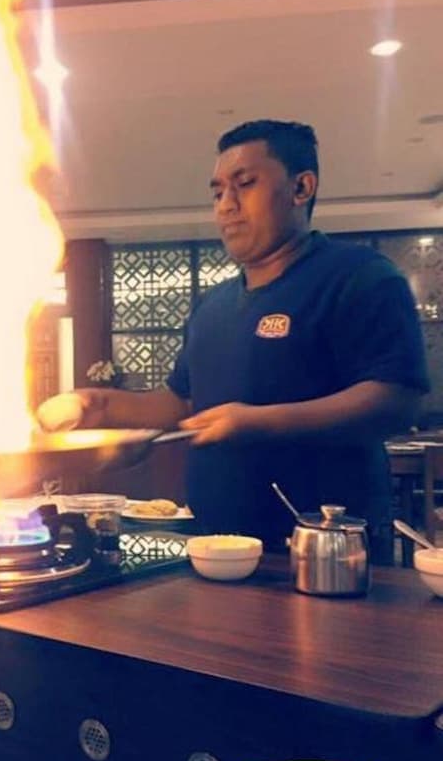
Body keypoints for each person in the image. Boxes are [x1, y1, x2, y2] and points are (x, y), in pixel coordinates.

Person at [38, 119, 429, 562]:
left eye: (245, 184)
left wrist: (258, 422)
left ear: (301, 188)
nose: (226, 205)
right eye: (218, 192)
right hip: (214, 546)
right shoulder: (213, 305)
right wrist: (97, 404)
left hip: (325, 553)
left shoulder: (358, 277)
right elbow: (183, 403)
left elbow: (396, 399)